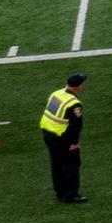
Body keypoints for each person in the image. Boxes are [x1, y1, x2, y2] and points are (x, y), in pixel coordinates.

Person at [38, 73, 85, 203]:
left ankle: (60, 192)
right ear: (78, 87)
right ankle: (71, 195)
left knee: (56, 165)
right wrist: (74, 144)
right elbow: (75, 127)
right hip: (62, 138)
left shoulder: (56, 93)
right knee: (71, 165)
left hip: (47, 133)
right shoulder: (75, 104)